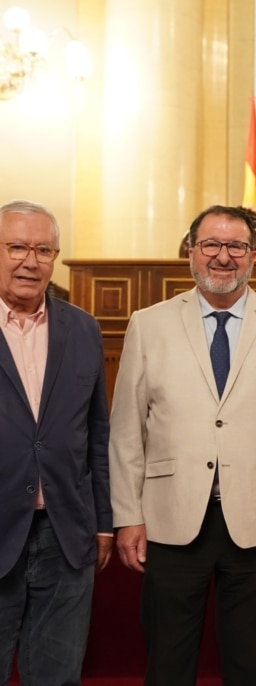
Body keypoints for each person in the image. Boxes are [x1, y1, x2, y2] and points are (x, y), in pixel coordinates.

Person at [108, 204, 256, 686]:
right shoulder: (149, 323)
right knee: (168, 662)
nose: (223, 257)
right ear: (191, 251)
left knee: (250, 664)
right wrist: (128, 515)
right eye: (211, 245)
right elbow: (126, 431)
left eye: (236, 247)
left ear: (253, 256)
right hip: (169, 519)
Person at [0, 200, 112, 685]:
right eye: (17, 247)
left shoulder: (83, 328)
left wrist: (103, 523)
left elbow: (97, 435)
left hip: (65, 534)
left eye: (43, 249)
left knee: (57, 677)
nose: (31, 260)